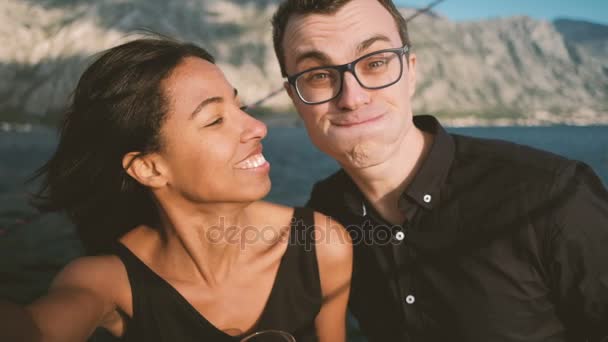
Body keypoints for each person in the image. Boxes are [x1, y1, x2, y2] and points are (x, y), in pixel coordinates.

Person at [271, 0, 608, 341]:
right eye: (319, 75)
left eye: (375, 63)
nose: (352, 97)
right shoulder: (326, 211)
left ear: (411, 71)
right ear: (295, 98)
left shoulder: (555, 196)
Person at [0, 37, 352, 342]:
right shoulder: (108, 281)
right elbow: (36, 332)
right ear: (150, 168)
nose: (258, 127)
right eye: (215, 120)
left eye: (240, 107)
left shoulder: (322, 244)